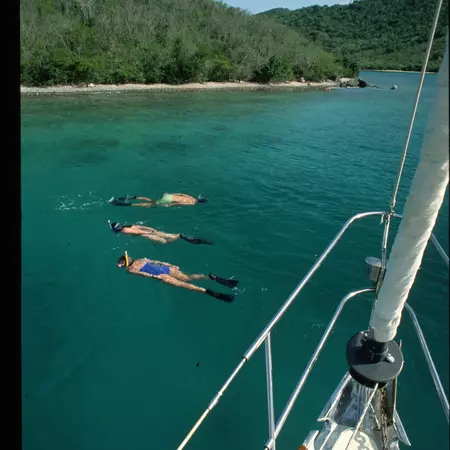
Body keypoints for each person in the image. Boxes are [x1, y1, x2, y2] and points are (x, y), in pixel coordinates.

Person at [116, 252, 238, 302]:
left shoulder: (131, 269)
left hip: (162, 275)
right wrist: (171, 265)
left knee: (186, 285)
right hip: (166, 268)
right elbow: (157, 261)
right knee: (188, 277)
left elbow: (144, 274)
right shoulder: (141, 259)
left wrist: (156, 277)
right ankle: (209, 277)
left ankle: (206, 291)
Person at [108, 220, 213, 245]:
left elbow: (138, 232)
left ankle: (180, 237)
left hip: (146, 234)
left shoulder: (125, 230)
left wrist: (149, 235)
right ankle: (179, 235)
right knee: (166, 234)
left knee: (164, 242)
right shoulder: (127, 225)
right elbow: (140, 226)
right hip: (148, 230)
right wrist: (151, 229)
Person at [108, 193, 208, 207]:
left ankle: (122, 198)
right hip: (168, 201)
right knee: (145, 205)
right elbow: (179, 202)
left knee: (149, 199)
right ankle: (116, 203)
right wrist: (171, 205)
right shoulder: (192, 203)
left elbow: (181, 194)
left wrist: (170, 194)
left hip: (168, 196)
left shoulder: (191, 197)